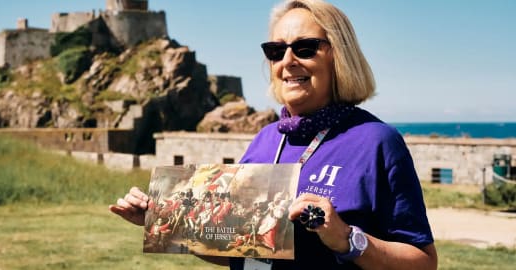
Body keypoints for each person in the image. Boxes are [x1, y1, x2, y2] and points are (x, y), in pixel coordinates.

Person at [110, 0, 437, 269]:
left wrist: (347, 239)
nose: (288, 61)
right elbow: (233, 246)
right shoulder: (266, 139)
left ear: (340, 54)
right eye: (276, 50)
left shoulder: (377, 141)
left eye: (305, 48)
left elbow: (423, 262)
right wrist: (167, 219)